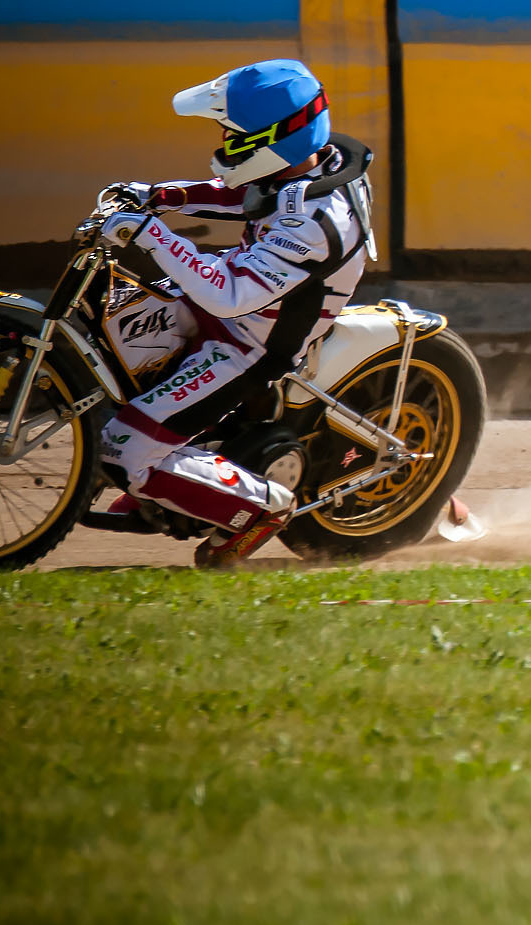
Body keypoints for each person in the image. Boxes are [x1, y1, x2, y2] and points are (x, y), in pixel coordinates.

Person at [92, 59, 374, 567]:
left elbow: (231, 294)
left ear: (273, 138)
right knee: (116, 325)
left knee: (121, 447)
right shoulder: (309, 162)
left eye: (232, 133)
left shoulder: (315, 220)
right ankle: (173, 464)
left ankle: (260, 509)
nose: (222, 139)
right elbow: (245, 196)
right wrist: (158, 196)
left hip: (252, 344)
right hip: (231, 304)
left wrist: (150, 232)